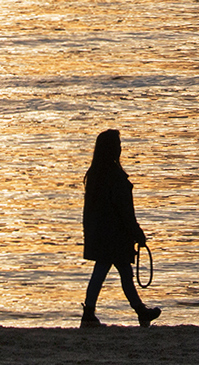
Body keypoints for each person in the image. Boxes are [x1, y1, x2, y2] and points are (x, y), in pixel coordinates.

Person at [80, 129, 162, 327]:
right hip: (114, 236)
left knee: (114, 272)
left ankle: (135, 311)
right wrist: (136, 233)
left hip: (104, 234)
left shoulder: (96, 175)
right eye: (117, 145)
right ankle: (94, 312)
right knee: (115, 273)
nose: (120, 148)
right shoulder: (114, 177)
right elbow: (125, 211)